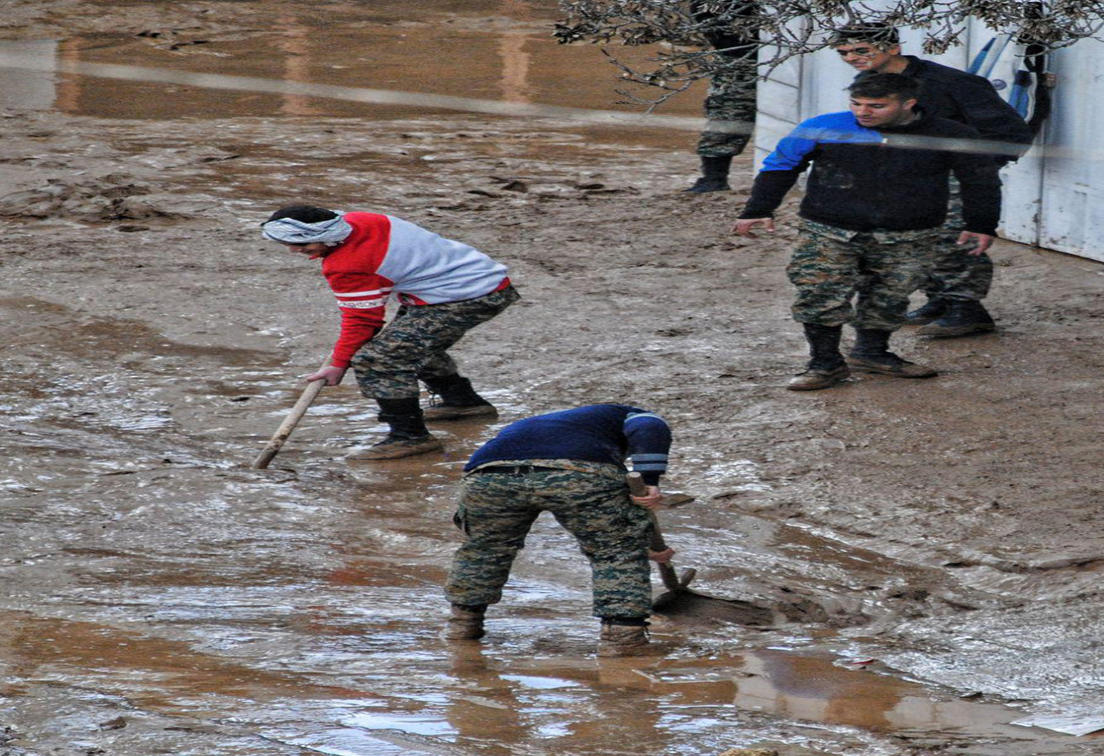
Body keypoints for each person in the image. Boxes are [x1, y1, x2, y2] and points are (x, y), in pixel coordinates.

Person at [733, 72, 1002, 391]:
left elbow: (981, 181)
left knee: (890, 295)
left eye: (876, 105)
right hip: (829, 229)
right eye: (856, 103)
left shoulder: (951, 134)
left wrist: (981, 224)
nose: (863, 112)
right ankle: (824, 363)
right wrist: (758, 209)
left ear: (908, 104)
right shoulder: (823, 127)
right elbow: (781, 166)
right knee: (819, 293)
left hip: (910, 234)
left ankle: (872, 353)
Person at [260, 206, 519, 460]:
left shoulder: (348, 264)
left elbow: (363, 322)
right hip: (472, 282)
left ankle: (409, 437)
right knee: (408, 344)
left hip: (467, 295)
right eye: (287, 243)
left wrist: (339, 364)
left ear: (326, 234)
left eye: (300, 243)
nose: (294, 250)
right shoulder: (357, 220)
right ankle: (463, 403)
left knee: (380, 359)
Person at [831, 24, 1035, 338]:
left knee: (953, 239)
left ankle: (966, 309)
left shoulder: (952, 83)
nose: (852, 58)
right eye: (844, 52)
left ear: (893, 48)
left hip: (954, 178)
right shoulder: (869, 82)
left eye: (861, 50)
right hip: (905, 177)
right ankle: (939, 299)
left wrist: (967, 170)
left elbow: (1011, 135)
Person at [443, 404, 676, 656]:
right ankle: (622, 639)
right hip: (576, 472)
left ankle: (462, 627)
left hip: (487, 476)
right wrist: (650, 480)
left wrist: (641, 541)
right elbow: (649, 427)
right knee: (615, 552)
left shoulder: (540, 423)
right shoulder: (634, 413)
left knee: (485, 550)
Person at [685, 1, 759, 193]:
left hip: (742, 58)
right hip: (738, 58)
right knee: (727, 115)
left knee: (727, 115)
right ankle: (714, 178)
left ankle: (714, 178)